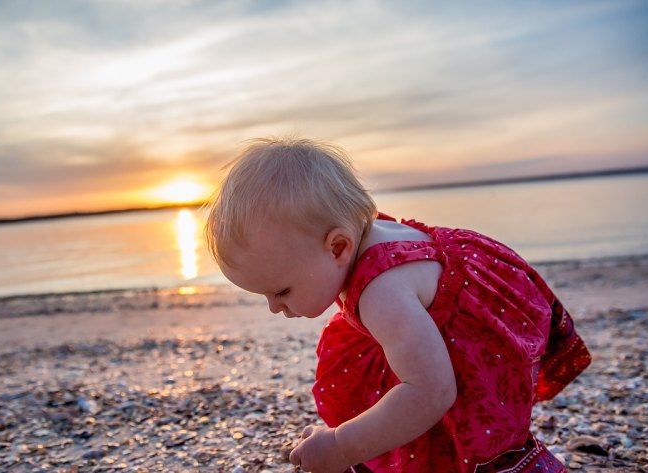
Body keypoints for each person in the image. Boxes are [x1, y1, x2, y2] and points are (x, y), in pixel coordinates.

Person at [204, 137, 591, 473]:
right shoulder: (362, 236)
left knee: (457, 428)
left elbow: (431, 392)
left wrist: (342, 446)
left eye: (281, 291)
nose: (274, 307)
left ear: (337, 247)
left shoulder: (382, 292)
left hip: (473, 346)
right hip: (441, 323)